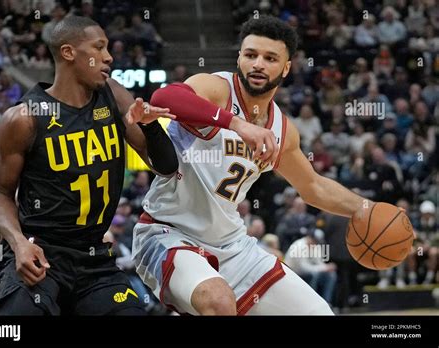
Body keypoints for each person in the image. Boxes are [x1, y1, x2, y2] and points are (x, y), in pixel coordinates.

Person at [132, 15, 384, 315]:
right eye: (250, 55)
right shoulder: (216, 89)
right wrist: (238, 124)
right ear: (239, 56)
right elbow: (165, 96)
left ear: (287, 67)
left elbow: (313, 186)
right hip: (167, 234)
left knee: (320, 313)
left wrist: (366, 209)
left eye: (270, 58)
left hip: (232, 246)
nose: (258, 64)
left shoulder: (282, 130)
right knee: (217, 301)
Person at [0, 16, 178, 316]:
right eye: (99, 47)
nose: (109, 56)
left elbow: (165, 168)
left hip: (95, 258)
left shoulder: (113, 94)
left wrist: (152, 128)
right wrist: (18, 243)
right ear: (68, 53)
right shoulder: (23, 118)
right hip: (40, 252)